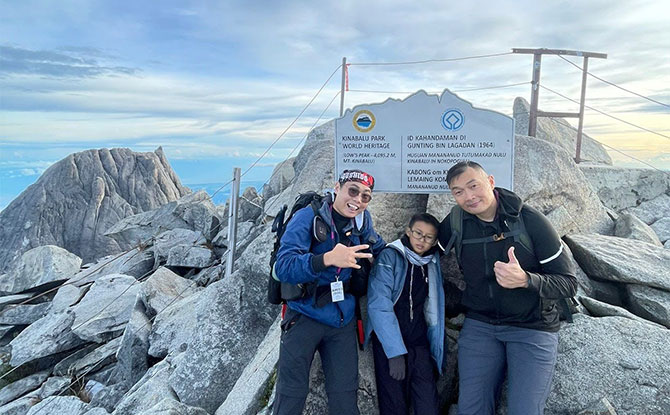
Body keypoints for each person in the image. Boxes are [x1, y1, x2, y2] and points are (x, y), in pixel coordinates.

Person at [438, 161, 577, 415]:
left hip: (532, 327)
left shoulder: (530, 221)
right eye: (458, 191)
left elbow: (568, 283)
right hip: (481, 326)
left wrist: (526, 279)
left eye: (473, 186)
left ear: (490, 182)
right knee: (471, 409)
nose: (469, 197)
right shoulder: (457, 221)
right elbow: (422, 249)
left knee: (524, 410)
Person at [272, 169, 386, 415]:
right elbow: (283, 267)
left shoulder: (362, 221)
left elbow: (377, 246)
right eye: (352, 191)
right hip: (304, 314)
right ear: (337, 188)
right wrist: (326, 259)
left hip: (341, 318)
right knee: (291, 393)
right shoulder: (308, 216)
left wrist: (413, 251)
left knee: (345, 395)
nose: (357, 200)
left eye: (365, 196)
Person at [366, 212, 445, 415]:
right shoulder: (390, 256)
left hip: (419, 343)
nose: (422, 240)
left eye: (429, 237)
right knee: (394, 405)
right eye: (418, 233)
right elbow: (379, 304)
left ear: (435, 241)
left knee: (428, 405)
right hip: (389, 345)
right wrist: (394, 352)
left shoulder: (432, 261)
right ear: (408, 231)